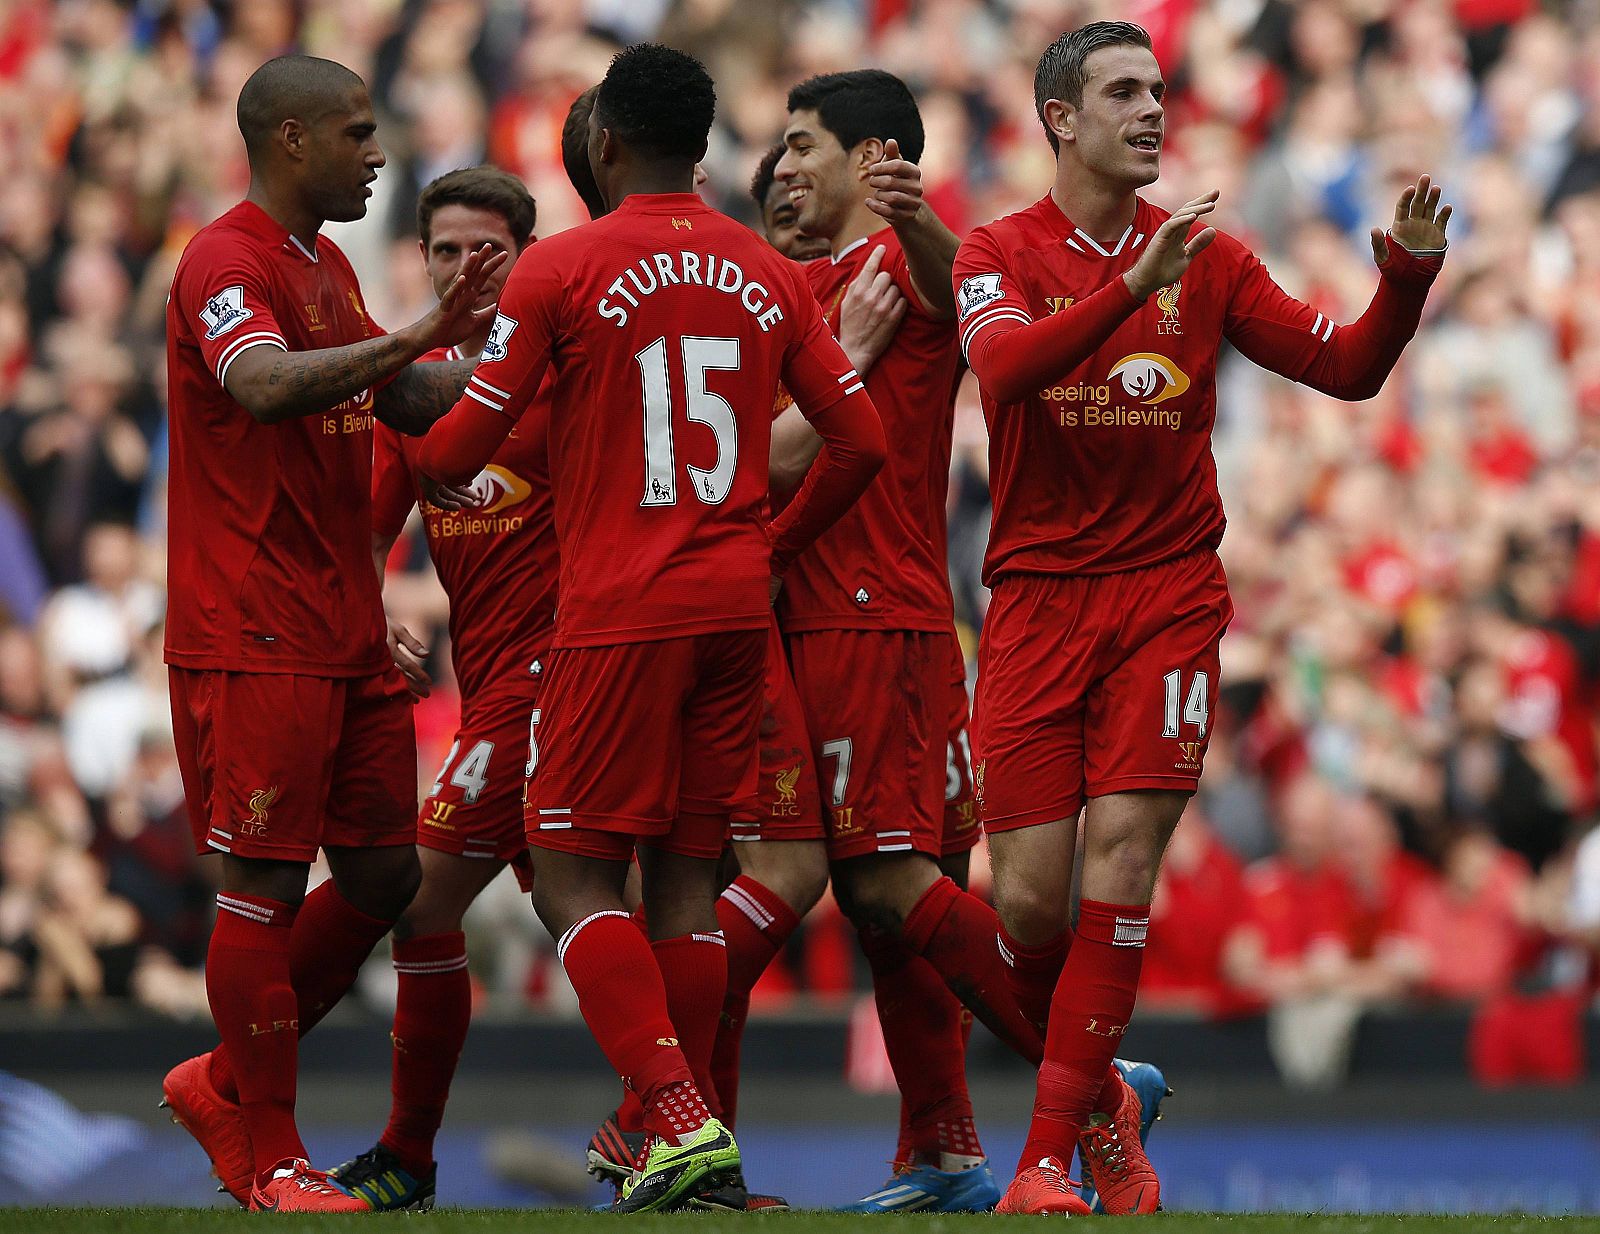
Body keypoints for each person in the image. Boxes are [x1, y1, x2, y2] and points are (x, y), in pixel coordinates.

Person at [952, 20, 1449, 1215]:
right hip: (1032, 602)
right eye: (1123, 91)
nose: (1151, 110)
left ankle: (1041, 1163)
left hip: (1169, 598)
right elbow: (1005, 371)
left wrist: (1405, 278)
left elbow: (1344, 367)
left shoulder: (1209, 261)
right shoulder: (996, 248)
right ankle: (1106, 1096)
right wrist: (1131, 285)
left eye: (1158, 90)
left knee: (1122, 865)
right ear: (1060, 118)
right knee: (1022, 903)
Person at [416, 43, 886, 1212]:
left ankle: (672, 1120)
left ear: (607, 143)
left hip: (618, 614)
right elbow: (862, 443)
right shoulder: (765, 270)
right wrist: (767, 546)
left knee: (574, 881)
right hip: (734, 609)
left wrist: (383, 405)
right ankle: (692, 1143)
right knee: (684, 889)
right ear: (708, 146)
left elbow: (462, 453)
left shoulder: (560, 271)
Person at [158, 54, 504, 1214]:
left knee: (382, 870)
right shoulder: (226, 259)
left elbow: (407, 400)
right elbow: (262, 386)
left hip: (342, 621)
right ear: (291, 139)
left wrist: (536, 361)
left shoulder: (328, 263)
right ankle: (272, 1156)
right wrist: (416, 336)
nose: (376, 153)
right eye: (357, 133)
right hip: (251, 624)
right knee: (258, 882)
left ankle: (222, 1083)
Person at [323, 164, 541, 1212]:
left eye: (488, 250)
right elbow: (366, 534)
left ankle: (394, 1145)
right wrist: (374, 619)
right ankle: (675, 1130)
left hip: (560, 680)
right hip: (494, 677)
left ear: (524, 259)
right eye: (447, 251)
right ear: (421, 261)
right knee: (619, 917)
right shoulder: (410, 398)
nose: (466, 269)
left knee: (420, 896)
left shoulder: (560, 367)